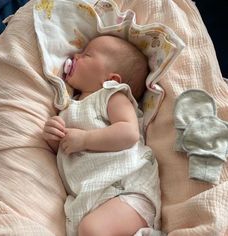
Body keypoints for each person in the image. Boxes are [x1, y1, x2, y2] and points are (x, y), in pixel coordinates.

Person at [43, 35, 161, 236]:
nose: (76, 56)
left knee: (91, 230)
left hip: (127, 191)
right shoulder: (68, 107)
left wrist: (85, 140)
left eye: (87, 54)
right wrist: (53, 136)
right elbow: (65, 151)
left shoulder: (112, 96)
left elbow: (129, 133)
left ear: (111, 79)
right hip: (90, 198)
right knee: (88, 229)